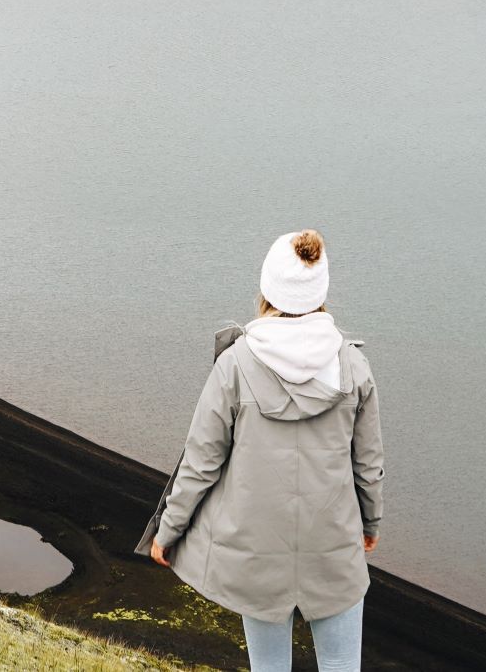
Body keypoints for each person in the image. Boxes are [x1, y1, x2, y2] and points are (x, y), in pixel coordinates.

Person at [149, 230, 383, 672]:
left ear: (267, 290)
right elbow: (368, 466)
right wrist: (370, 523)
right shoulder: (352, 366)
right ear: (321, 293)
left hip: (257, 550)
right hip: (333, 543)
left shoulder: (236, 364)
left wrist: (169, 530)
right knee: (340, 666)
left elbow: (201, 461)